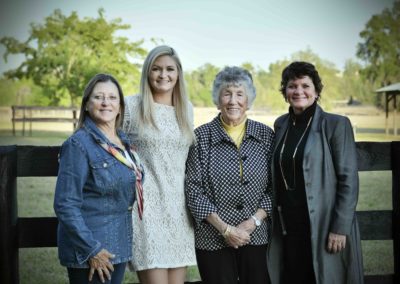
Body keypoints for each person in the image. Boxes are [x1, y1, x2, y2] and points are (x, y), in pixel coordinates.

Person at [267, 61, 364, 284]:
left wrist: (340, 228)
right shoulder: (281, 124)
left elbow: (348, 179)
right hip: (289, 225)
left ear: (316, 91)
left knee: (323, 277)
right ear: (285, 91)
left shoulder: (336, 124)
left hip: (323, 223)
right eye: (292, 86)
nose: (298, 91)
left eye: (305, 85)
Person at [185, 66, 275, 284]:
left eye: (240, 94)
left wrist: (253, 222)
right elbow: (193, 189)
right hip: (212, 238)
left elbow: (274, 187)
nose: (233, 101)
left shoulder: (265, 135)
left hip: (256, 235)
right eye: (227, 93)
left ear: (249, 101)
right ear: (217, 100)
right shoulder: (201, 137)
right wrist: (225, 229)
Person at [54, 73, 143, 284]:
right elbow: (66, 204)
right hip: (92, 249)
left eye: (112, 98)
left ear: (120, 106)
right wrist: (92, 250)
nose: (106, 103)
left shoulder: (123, 142)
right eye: (98, 97)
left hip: (117, 243)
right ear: (86, 104)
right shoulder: (78, 145)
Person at [123, 45, 196, 284]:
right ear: (147, 72)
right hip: (146, 210)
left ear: (178, 74)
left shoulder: (186, 110)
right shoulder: (131, 107)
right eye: (156, 69)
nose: (163, 75)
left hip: (179, 210)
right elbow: (105, 142)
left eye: (169, 69)